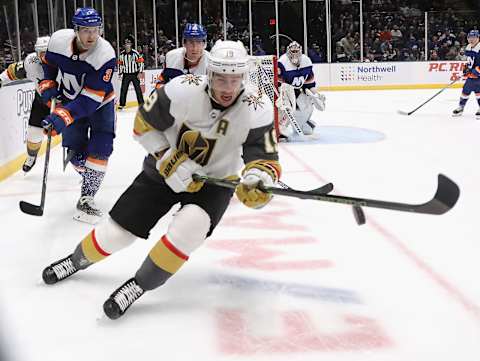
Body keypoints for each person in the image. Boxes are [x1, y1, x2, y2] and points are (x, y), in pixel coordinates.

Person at [41, 40, 281, 320]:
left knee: (189, 228)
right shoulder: (182, 89)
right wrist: (168, 158)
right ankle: (75, 260)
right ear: (210, 73)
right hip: (161, 173)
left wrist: (257, 177)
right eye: (221, 78)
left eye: (235, 79)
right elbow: (143, 123)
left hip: (215, 182)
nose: (228, 88)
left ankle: (138, 285)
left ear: (244, 77)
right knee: (117, 234)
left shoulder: (257, 106)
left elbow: (264, 157)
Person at [38, 7, 116, 224]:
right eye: (86, 30)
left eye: (95, 30)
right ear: (76, 30)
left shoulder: (105, 54)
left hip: (101, 105)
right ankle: (89, 174)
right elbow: (48, 62)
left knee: (101, 146)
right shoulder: (58, 41)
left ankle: (87, 197)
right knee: (74, 150)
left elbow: (91, 100)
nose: (92, 36)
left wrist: (63, 115)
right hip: (71, 100)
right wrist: (48, 81)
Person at [0, 36, 50, 172]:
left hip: (65, 102)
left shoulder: (64, 61)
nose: (46, 57)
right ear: (36, 53)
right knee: (34, 134)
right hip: (42, 102)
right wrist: (1, 80)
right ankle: (31, 156)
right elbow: (13, 71)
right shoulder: (31, 62)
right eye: (42, 53)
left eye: (48, 53)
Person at [277, 41, 326, 140]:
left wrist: (316, 94)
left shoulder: (306, 61)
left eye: (296, 51)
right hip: (285, 91)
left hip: (299, 90)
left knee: (307, 105)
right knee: (286, 106)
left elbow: (309, 83)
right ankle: (280, 128)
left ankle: (303, 122)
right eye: (292, 51)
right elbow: (278, 84)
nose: (294, 53)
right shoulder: (282, 62)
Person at [154, 23, 208, 88]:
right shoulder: (172, 57)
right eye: (191, 42)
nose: (195, 48)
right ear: (184, 43)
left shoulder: (211, 63)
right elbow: (161, 83)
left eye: (199, 42)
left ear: (204, 44)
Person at [452, 30, 480, 118]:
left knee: (478, 91)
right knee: (466, 90)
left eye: (474, 37)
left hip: (478, 75)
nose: (471, 39)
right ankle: (461, 107)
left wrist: (476, 71)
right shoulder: (468, 47)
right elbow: (469, 61)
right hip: (472, 75)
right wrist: (466, 68)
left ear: (478, 38)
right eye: (470, 38)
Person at [117, 35, 144, 109]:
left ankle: (141, 104)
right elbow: (120, 64)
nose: (127, 45)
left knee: (138, 89)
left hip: (135, 74)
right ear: (124, 45)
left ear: (131, 44)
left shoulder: (135, 53)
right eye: (126, 43)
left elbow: (141, 62)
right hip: (126, 74)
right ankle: (122, 104)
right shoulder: (122, 54)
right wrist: (120, 73)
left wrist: (140, 72)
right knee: (123, 89)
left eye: (129, 43)